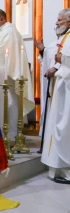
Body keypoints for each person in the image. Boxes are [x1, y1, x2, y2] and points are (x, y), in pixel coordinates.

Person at [0, 9, 35, 140]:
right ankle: (0, 136)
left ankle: (12, 137)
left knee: (10, 105)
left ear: (2, 19)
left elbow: (4, 52)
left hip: (8, 78)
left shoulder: (10, 31)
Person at [41, 8, 70, 184]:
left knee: (64, 125)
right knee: (59, 124)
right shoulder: (64, 38)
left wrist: (61, 60)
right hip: (61, 87)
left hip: (67, 88)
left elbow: (64, 57)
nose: (56, 23)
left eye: (60, 20)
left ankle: (66, 168)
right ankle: (59, 167)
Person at [35, 33, 61, 136]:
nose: (57, 23)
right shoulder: (54, 44)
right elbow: (47, 61)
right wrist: (42, 51)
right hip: (52, 82)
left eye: (59, 21)